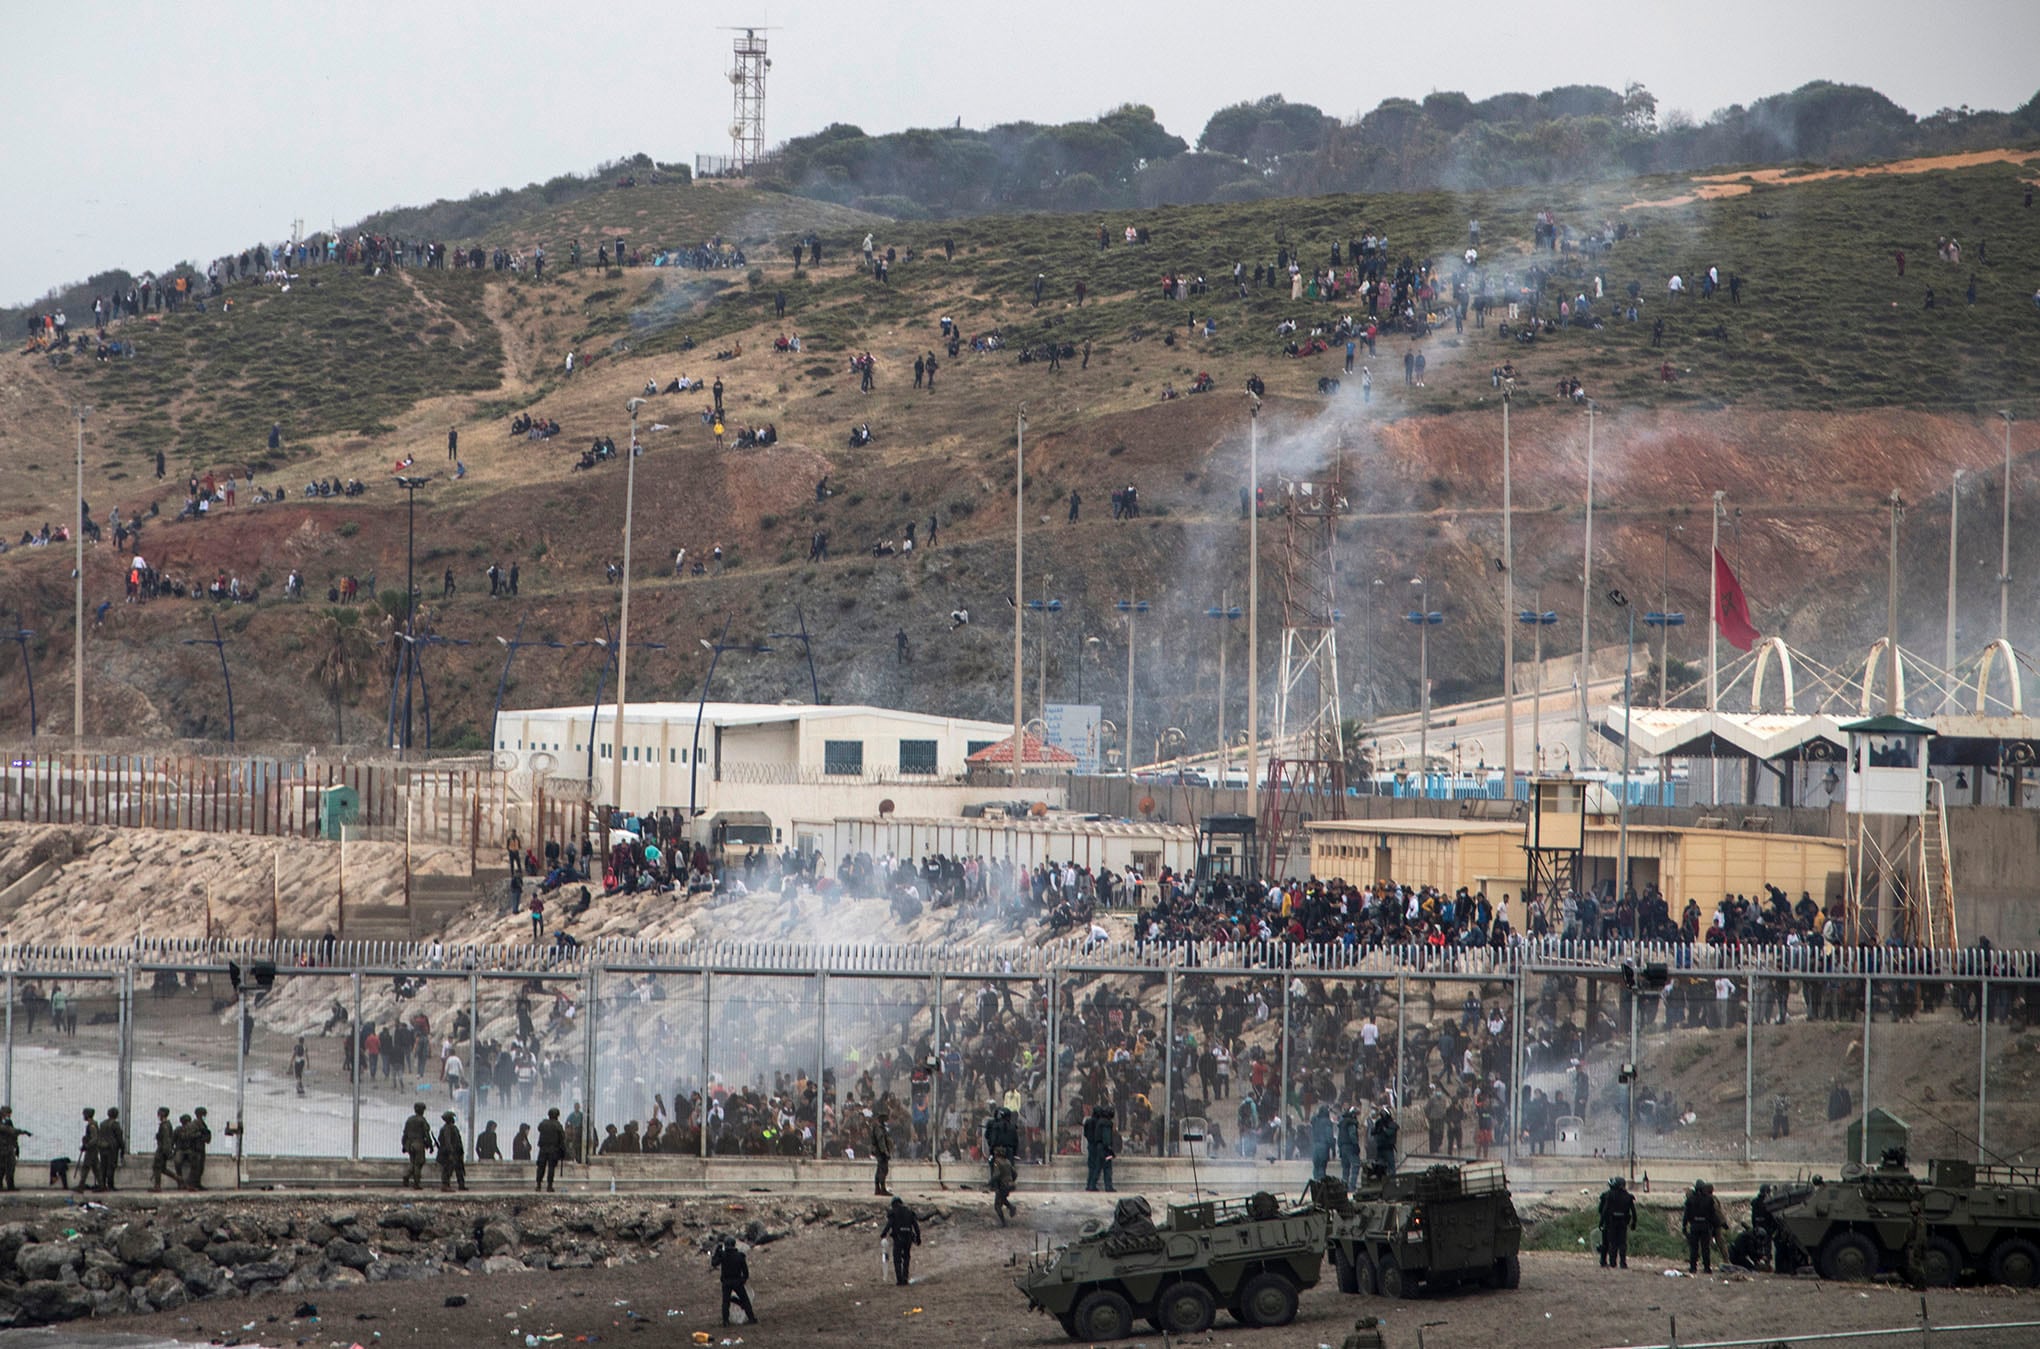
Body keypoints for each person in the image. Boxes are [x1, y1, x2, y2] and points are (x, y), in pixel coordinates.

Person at [712, 1236, 758, 1326]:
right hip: (737, 1281)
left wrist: (717, 1252)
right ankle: (751, 1318)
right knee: (745, 1300)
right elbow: (745, 1272)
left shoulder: (723, 1255)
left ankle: (725, 1321)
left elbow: (714, 1263)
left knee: (725, 1302)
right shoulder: (739, 1256)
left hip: (726, 1281)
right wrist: (743, 1280)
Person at [1682, 1179, 1722, 1273]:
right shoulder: (1708, 1199)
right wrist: (1717, 1225)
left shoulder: (1690, 1199)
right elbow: (1712, 1214)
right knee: (1705, 1248)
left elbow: (1686, 1214)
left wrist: (1684, 1226)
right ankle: (1707, 1268)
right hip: (1705, 1226)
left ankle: (1693, 1267)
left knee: (1694, 1248)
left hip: (1694, 1226)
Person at [880, 1196, 922, 1286]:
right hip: (908, 1238)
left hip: (898, 1238)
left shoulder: (893, 1212)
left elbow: (889, 1224)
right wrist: (918, 1238)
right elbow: (916, 1226)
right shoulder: (909, 1212)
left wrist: (884, 1233)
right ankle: (905, 1278)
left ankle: (899, 1279)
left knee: (897, 1258)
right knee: (906, 1257)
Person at [1598, 1176, 1638, 1269]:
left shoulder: (1609, 1195)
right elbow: (1633, 1211)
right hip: (1623, 1222)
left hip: (1611, 1222)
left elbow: (1604, 1210)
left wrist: (1601, 1222)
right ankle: (1623, 1263)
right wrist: (1633, 1223)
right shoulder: (1628, 1196)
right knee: (1622, 1243)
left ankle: (1613, 1262)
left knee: (1612, 1243)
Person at [1083, 1104, 1117, 1192]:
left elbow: (1086, 1134)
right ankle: (1108, 1186)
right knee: (1107, 1167)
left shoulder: (1097, 1122)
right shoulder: (1106, 1123)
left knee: (1096, 1166)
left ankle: (1091, 1185)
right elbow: (1106, 1138)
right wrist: (1109, 1148)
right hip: (1105, 1148)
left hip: (1096, 1146)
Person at [401, 1102, 433, 1189]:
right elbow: (427, 1134)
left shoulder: (409, 1120)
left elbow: (405, 1134)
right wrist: (430, 1145)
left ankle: (406, 1176)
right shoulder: (422, 1120)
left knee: (412, 1162)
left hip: (410, 1144)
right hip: (419, 1144)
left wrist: (404, 1145)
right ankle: (416, 1183)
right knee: (418, 1163)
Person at [536, 1107, 566, 1191]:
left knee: (541, 1167)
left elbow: (539, 1128)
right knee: (551, 1168)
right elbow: (562, 1138)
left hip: (543, 1149)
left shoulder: (543, 1123)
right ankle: (549, 1186)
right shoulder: (558, 1125)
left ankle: (538, 1185)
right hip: (553, 1150)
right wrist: (563, 1150)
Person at [437, 1110, 467, 1191]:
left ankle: (461, 1185)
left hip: (456, 1152)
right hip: (450, 1153)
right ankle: (445, 1185)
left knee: (459, 1169)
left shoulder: (452, 1128)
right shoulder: (447, 1128)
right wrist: (450, 1152)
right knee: (448, 1169)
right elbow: (447, 1142)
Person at [96, 1107, 125, 1191]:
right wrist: (122, 1147)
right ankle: (110, 1185)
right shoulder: (115, 1125)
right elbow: (119, 1137)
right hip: (112, 1148)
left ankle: (102, 1185)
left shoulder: (102, 1124)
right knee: (111, 1167)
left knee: (103, 1167)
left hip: (102, 1147)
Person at [991, 1146, 1018, 1226]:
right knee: (1002, 1199)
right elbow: (1015, 1173)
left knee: (997, 1206)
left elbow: (997, 1174)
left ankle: (1003, 1222)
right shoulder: (1007, 1161)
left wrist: (990, 1182)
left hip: (1003, 1185)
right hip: (1010, 1184)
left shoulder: (997, 1162)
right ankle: (1011, 1207)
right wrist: (1011, 1180)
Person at [1336, 1107, 1363, 1189]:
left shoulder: (1342, 1122)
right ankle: (1352, 1186)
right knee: (1356, 1165)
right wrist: (1356, 1146)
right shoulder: (1351, 1123)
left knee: (1345, 1168)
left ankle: (1344, 1186)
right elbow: (1352, 1135)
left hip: (1342, 1147)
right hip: (1350, 1146)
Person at [869, 1107, 893, 1196]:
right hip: (881, 1151)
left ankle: (878, 1188)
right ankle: (881, 1188)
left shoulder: (878, 1127)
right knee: (883, 1169)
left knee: (880, 1169)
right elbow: (881, 1141)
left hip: (879, 1151)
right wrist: (885, 1152)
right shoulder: (879, 1128)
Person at [148, 1108, 174, 1191]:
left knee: (157, 1167)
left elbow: (166, 1140)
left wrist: (165, 1151)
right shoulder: (166, 1124)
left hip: (161, 1150)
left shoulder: (165, 1125)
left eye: (159, 1113)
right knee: (162, 1169)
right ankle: (180, 1180)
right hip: (163, 1149)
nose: (158, 1115)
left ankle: (157, 1186)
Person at [1310, 1103, 1335, 1181]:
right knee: (1321, 1168)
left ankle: (1315, 1184)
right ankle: (1320, 1186)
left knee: (1316, 1167)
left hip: (1315, 1146)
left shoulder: (1315, 1121)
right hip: (1323, 1147)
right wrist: (1333, 1149)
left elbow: (1313, 1118)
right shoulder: (1327, 1122)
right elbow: (1329, 1137)